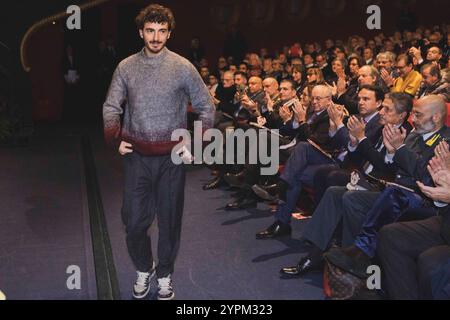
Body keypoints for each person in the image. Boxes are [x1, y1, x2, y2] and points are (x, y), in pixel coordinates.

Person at [103, 4, 214, 300]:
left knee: (169, 221)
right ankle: (144, 267)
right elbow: (111, 106)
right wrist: (115, 137)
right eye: (150, 31)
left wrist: (195, 141)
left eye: (161, 31)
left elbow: (206, 106)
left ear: (169, 33)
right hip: (137, 157)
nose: (155, 37)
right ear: (141, 32)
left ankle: (164, 274)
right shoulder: (126, 67)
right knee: (133, 222)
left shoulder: (182, 66)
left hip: (171, 159)